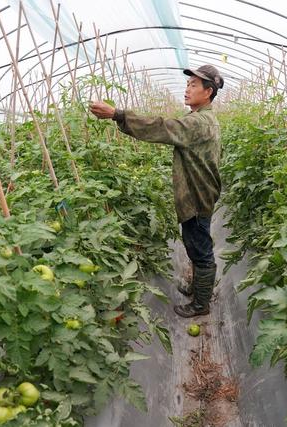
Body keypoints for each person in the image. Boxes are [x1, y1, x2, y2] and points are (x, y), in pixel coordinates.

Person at [89, 64, 224, 318]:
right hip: (200, 193)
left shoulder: (200, 122)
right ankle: (198, 289)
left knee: (201, 250)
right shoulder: (202, 119)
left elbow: (162, 127)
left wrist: (118, 114)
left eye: (193, 85)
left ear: (208, 92)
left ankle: (201, 304)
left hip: (197, 197)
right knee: (195, 244)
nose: (187, 89)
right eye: (187, 84)